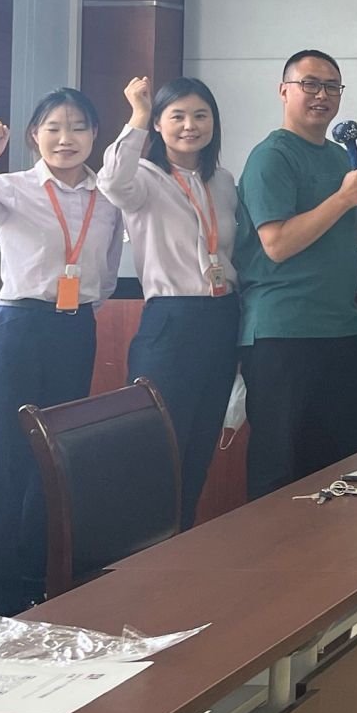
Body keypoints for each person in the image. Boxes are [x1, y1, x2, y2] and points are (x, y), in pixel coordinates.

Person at [0, 88, 124, 612]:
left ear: (95, 134)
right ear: (34, 135)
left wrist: (83, 305)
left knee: (56, 454)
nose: (66, 138)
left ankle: (45, 579)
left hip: (76, 328)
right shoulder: (10, 187)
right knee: (2, 457)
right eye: (53, 128)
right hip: (17, 326)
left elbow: (107, 269)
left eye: (78, 127)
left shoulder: (107, 197)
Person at [234, 50, 357, 501]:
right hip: (283, 331)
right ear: (284, 90)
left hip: (343, 327)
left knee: (353, 462)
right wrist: (343, 198)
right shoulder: (271, 156)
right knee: (280, 466)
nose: (322, 95)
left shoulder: (340, 157)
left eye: (332, 86)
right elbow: (277, 244)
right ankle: (272, 550)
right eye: (310, 84)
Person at [97, 76, 240, 526]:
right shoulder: (142, 178)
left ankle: (182, 543)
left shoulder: (223, 181)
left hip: (222, 317)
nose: (190, 126)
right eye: (176, 116)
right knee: (159, 447)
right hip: (171, 320)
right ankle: (142, 551)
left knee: (200, 446)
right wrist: (137, 115)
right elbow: (110, 182)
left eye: (200, 115)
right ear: (159, 124)